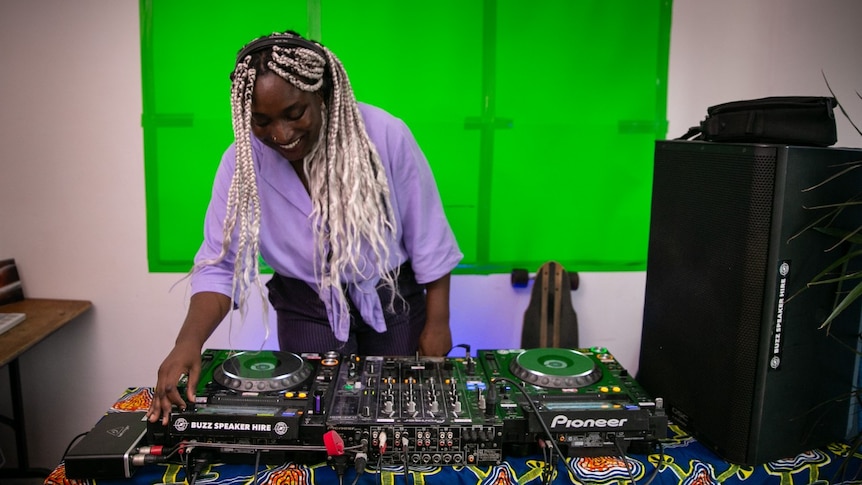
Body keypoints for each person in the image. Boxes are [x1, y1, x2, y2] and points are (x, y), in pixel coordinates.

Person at [147, 31, 462, 424]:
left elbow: (429, 238)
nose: (280, 134)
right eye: (261, 121)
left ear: (324, 94)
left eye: (294, 113)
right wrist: (188, 341)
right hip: (305, 306)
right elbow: (220, 265)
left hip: (391, 299)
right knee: (314, 418)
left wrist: (438, 323)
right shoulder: (242, 162)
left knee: (394, 416)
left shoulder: (384, 134)